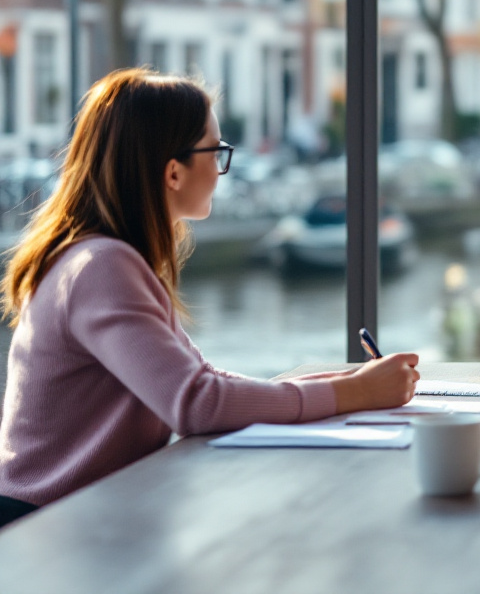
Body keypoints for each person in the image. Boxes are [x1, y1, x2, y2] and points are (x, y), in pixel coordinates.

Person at [0, 69, 420, 529]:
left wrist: (352, 383)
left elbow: (198, 381)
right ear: (173, 171)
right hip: (43, 533)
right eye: (216, 151)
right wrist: (351, 393)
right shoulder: (101, 267)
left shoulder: (104, 257)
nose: (222, 167)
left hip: (82, 519)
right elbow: (197, 402)